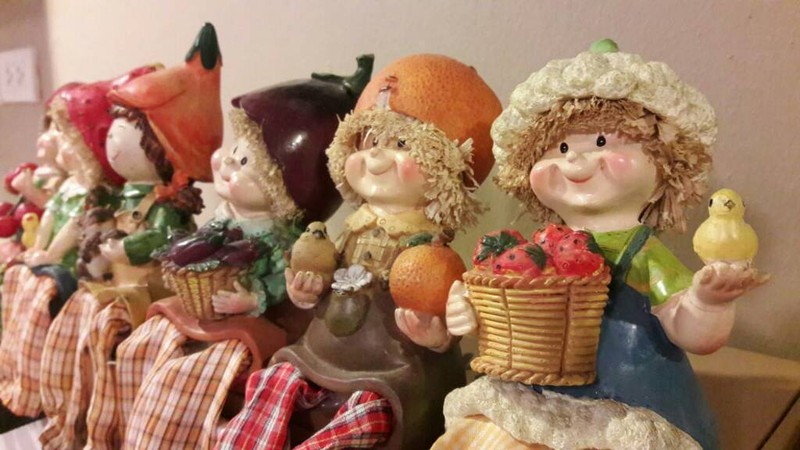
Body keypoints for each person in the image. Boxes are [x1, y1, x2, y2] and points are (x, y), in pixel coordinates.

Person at [435, 39, 766, 450]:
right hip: (532, 395)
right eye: (560, 148)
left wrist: (708, 304)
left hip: (626, 402)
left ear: (664, 166)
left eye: (603, 143)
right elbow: (507, 311)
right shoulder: (535, 251)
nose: (575, 161)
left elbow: (691, 332)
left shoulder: (642, 255)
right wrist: (469, 309)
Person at [216, 54, 501, 450]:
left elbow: (449, 320)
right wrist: (306, 292)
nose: (375, 157)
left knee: (367, 413)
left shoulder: (431, 249)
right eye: (367, 143)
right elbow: (324, 278)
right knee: (273, 381)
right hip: (317, 353)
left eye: (400, 144)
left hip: (391, 370)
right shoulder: (349, 229)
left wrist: (436, 336)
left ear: (442, 169)